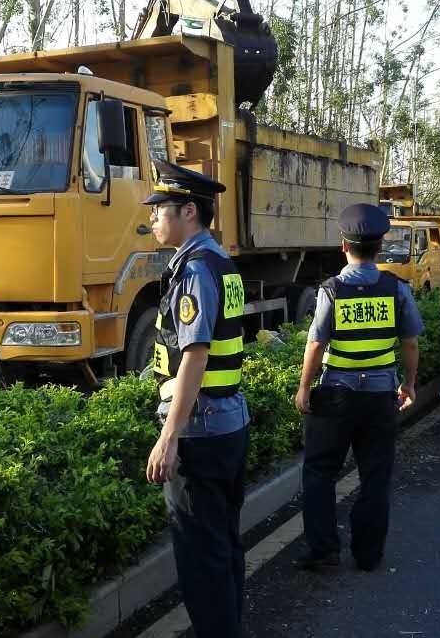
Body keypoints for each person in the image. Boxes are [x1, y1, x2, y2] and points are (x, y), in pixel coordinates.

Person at [142, 159, 250, 637]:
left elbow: (195, 357)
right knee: (222, 543)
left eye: (159, 209)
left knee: (201, 556)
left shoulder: (195, 271)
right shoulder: (219, 263)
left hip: (199, 430)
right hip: (226, 423)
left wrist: (169, 436)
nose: (151, 217)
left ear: (188, 211)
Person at [292, 204, 423, 572]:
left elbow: (316, 344)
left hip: (335, 394)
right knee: (375, 475)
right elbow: (410, 342)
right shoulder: (396, 288)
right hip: (380, 397)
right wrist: (409, 383)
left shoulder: (331, 289)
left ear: (343, 246)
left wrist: (304, 388)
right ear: (380, 247)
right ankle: (368, 555)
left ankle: (324, 551)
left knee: (320, 471)